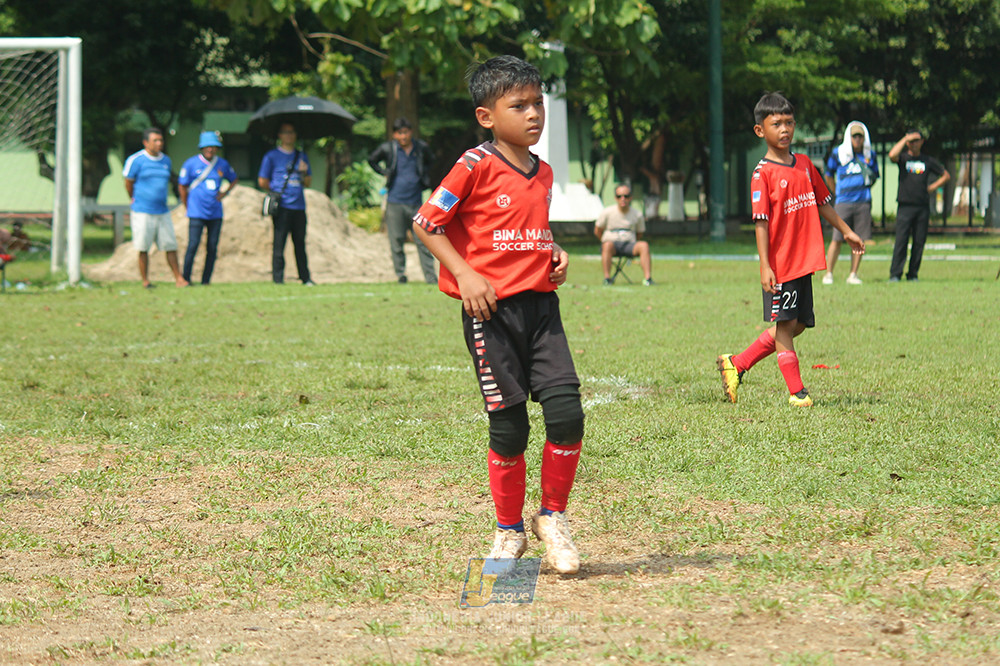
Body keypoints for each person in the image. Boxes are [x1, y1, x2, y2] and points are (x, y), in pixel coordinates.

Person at [412, 56, 586, 574]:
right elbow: (426, 223)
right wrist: (465, 275)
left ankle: (552, 518)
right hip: (491, 317)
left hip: (541, 311)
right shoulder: (474, 164)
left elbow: (527, 228)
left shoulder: (545, 170)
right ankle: (508, 532)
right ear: (487, 116)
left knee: (566, 416)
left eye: (538, 103)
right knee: (509, 430)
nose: (534, 114)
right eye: (519, 105)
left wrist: (553, 251)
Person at [717, 93, 864, 407]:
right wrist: (765, 265)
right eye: (776, 124)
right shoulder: (762, 174)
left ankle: (738, 363)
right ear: (760, 131)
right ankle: (797, 393)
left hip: (804, 260)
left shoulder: (805, 165)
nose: (784, 129)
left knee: (797, 325)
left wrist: (848, 232)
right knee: (785, 326)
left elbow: (824, 203)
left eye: (789, 122)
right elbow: (760, 222)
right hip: (781, 263)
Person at [367, 117, 437, 284]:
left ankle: (430, 277)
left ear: (410, 132)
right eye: (400, 133)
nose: (403, 136)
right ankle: (401, 275)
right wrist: (384, 172)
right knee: (396, 240)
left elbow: (432, 160)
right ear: (394, 135)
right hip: (395, 201)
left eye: (405, 132)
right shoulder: (388, 148)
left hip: (416, 202)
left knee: (423, 241)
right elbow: (372, 160)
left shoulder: (420, 148)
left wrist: (423, 177)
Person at [123, 128, 188, 288]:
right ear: (146, 143)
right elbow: (128, 183)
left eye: (161, 140)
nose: (159, 143)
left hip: (163, 210)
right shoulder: (136, 160)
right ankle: (145, 280)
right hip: (143, 210)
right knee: (143, 246)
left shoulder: (166, 161)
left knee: (170, 245)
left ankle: (178, 278)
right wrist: (135, 198)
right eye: (155, 140)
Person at [887, 129, 950, 282]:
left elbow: (946, 175)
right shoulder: (903, 158)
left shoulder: (927, 160)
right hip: (905, 206)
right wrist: (905, 138)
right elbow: (891, 155)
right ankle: (895, 274)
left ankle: (913, 274)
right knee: (901, 241)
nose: (913, 144)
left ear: (922, 142)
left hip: (922, 207)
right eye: (911, 141)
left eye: (917, 140)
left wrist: (932, 188)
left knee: (919, 242)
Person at [178, 131, 238, 285]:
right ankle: (186, 278)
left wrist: (224, 193)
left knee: (212, 247)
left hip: (215, 212)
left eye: (213, 147)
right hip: (196, 212)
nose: (210, 150)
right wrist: (187, 205)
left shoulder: (222, 164)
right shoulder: (191, 164)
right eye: (207, 147)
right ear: (202, 148)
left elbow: (233, 179)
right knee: (193, 245)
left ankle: (206, 280)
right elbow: (182, 186)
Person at [822, 121, 878, 285]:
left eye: (860, 136)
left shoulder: (870, 155)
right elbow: (828, 174)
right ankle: (829, 274)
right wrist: (836, 192)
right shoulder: (838, 153)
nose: (858, 139)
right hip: (843, 202)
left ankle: (853, 274)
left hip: (863, 202)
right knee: (837, 238)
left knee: (858, 240)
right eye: (854, 136)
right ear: (849, 137)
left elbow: (874, 176)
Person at [257, 122, 314, 285]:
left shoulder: (302, 156)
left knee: (300, 244)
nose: (289, 135)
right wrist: (276, 191)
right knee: (279, 244)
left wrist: (303, 173)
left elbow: (308, 183)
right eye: (285, 132)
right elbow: (262, 181)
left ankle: (305, 277)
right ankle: (278, 278)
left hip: (299, 206)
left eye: (292, 132)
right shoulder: (271, 156)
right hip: (282, 207)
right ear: (280, 135)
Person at [595, 183, 653, 286]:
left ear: (631, 198)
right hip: (612, 244)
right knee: (607, 245)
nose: (623, 199)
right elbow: (598, 230)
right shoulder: (607, 212)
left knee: (644, 245)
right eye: (619, 196)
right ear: (615, 198)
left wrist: (632, 240)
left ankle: (648, 279)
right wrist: (604, 241)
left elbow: (639, 233)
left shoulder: (637, 214)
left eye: (626, 196)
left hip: (629, 244)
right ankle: (607, 278)